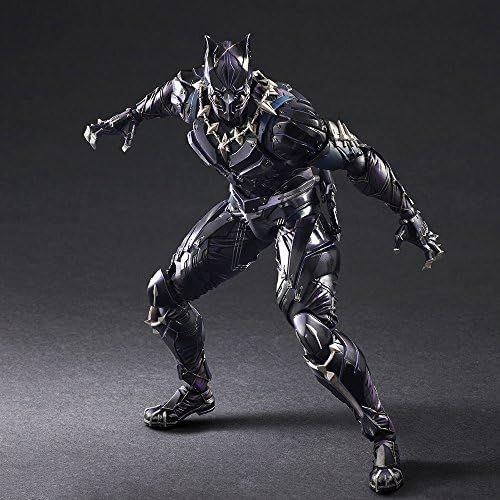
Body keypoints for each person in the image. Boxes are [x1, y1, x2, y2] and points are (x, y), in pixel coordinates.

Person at [84, 34, 444, 494]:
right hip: (246, 210)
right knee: (164, 293)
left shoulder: (287, 120)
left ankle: (383, 437)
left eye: (235, 99)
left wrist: (409, 214)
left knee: (313, 333)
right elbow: (162, 97)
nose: (226, 108)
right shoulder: (193, 99)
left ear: (249, 85)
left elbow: (358, 158)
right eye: (218, 97)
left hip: (301, 213)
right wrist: (124, 120)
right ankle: (196, 389)